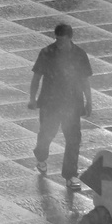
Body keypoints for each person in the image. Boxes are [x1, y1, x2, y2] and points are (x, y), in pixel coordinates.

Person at [28, 22, 92, 189]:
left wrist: (89, 101)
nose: (59, 44)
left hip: (72, 104)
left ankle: (70, 175)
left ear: (70, 38)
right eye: (57, 40)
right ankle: (41, 156)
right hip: (50, 102)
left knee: (73, 140)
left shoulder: (79, 55)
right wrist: (32, 98)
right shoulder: (47, 53)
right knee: (47, 134)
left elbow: (85, 80)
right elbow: (36, 77)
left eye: (62, 40)